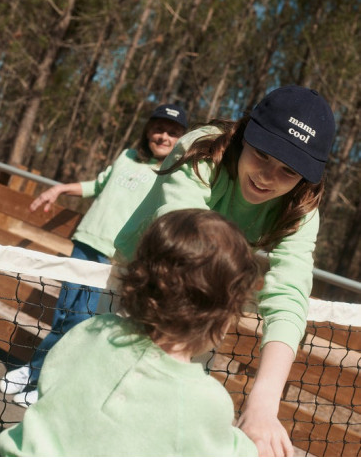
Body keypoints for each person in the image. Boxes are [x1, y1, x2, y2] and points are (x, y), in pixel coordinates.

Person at [113, 85, 336, 457]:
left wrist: (264, 403)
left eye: (288, 170)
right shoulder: (202, 148)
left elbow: (288, 295)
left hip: (207, 301)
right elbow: (181, 237)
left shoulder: (302, 209)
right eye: (262, 154)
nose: (266, 177)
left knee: (171, 416)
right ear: (245, 133)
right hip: (143, 277)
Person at [0, 209, 260, 457]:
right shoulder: (208, 403)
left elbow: (51, 381)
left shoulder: (92, 330)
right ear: (222, 317)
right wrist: (254, 446)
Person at [0, 103, 188, 407]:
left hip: (116, 256)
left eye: (172, 132)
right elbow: (97, 185)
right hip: (84, 242)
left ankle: (45, 381)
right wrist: (58, 190)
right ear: (148, 130)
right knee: (63, 314)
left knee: (80, 321)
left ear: (181, 139)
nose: (163, 136)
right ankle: (34, 373)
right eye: (159, 128)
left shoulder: (174, 175)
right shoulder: (127, 156)